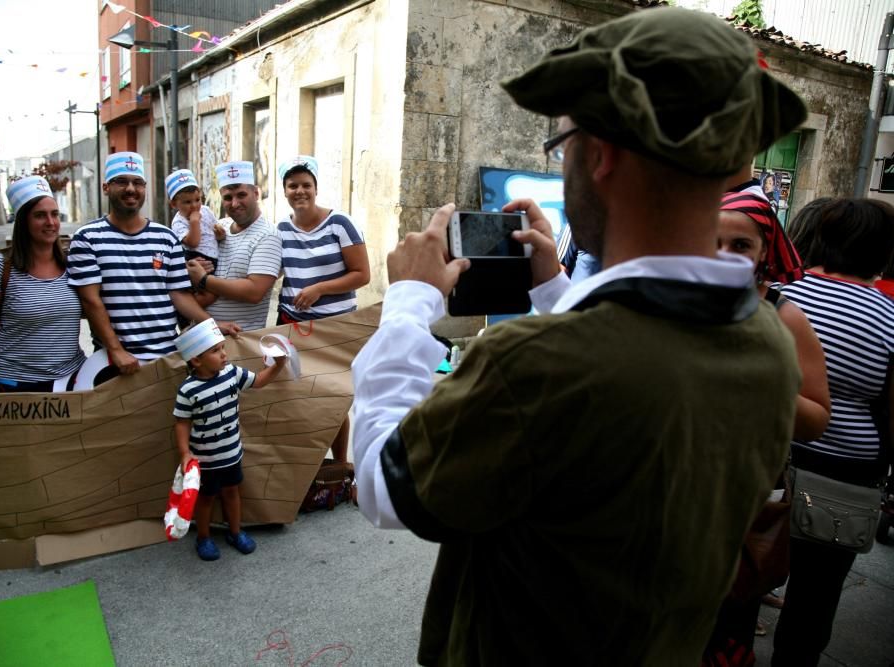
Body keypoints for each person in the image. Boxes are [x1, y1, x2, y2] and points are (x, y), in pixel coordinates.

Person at [350, 7, 807, 664]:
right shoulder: (768, 344)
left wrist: (409, 301)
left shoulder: (534, 367)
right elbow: (639, 376)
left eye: (563, 145)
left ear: (605, 154)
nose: (563, 164)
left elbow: (383, 483)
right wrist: (555, 290)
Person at [703, 191, 831, 663]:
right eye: (711, 242)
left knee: (724, 624)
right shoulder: (669, 302)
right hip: (668, 488)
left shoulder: (783, 316)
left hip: (743, 496)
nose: (723, 255)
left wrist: (758, 379)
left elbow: (817, 417)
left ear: (764, 252)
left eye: (740, 246)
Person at [773, 198, 894, 666]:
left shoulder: (781, 298)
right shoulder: (887, 317)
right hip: (846, 476)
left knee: (740, 573)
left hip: (768, 457)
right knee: (816, 597)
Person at [66, 152, 230, 376]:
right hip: (115, 363)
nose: (131, 189)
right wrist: (116, 350)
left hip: (168, 359)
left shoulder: (165, 237)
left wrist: (211, 325)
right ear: (106, 187)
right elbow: (91, 300)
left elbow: (179, 295)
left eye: (137, 183)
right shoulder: (87, 238)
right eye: (121, 182)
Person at [0, 176, 85, 402]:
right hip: (15, 387)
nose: (50, 222)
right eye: (39, 215)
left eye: (54, 214)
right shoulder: (1, 267)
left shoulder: (73, 263)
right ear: (23, 221)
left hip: (70, 382)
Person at [276, 155, 370, 464]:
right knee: (298, 397)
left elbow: (362, 274)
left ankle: (341, 464)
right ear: (285, 190)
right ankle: (308, 466)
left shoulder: (339, 224)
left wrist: (320, 288)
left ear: (316, 188)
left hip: (336, 329)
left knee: (333, 397)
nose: (299, 191)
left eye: (306, 185)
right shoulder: (280, 231)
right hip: (293, 327)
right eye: (293, 186)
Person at [173, 318, 286, 561]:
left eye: (223, 348)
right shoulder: (187, 390)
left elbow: (259, 381)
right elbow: (182, 422)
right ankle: (203, 537)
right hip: (204, 461)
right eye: (216, 351)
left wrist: (278, 365)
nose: (224, 354)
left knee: (233, 493)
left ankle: (236, 532)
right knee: (205, 500)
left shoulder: (232, 373)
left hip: (232, 454)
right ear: (196, 360)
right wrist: (184, 453)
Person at [186, 161, 282, 331]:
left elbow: (254, 292)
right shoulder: (218, 227)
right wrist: (191, 266)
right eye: (228, 198)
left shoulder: (268, 235)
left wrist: (203, 279)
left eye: (241, 195)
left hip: (239, 341)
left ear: (256, 193)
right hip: (200, 338)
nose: (235, 203)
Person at [166, 168, 225, 269]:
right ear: (174, 204)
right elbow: (193, 243)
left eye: (197, 200)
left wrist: (219, 234)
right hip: (197, 258)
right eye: (187, 202)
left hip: (216, 256)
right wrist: (194, 222)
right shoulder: (178, 222)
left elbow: (215, 229)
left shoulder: (205, 210)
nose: (194, 205)